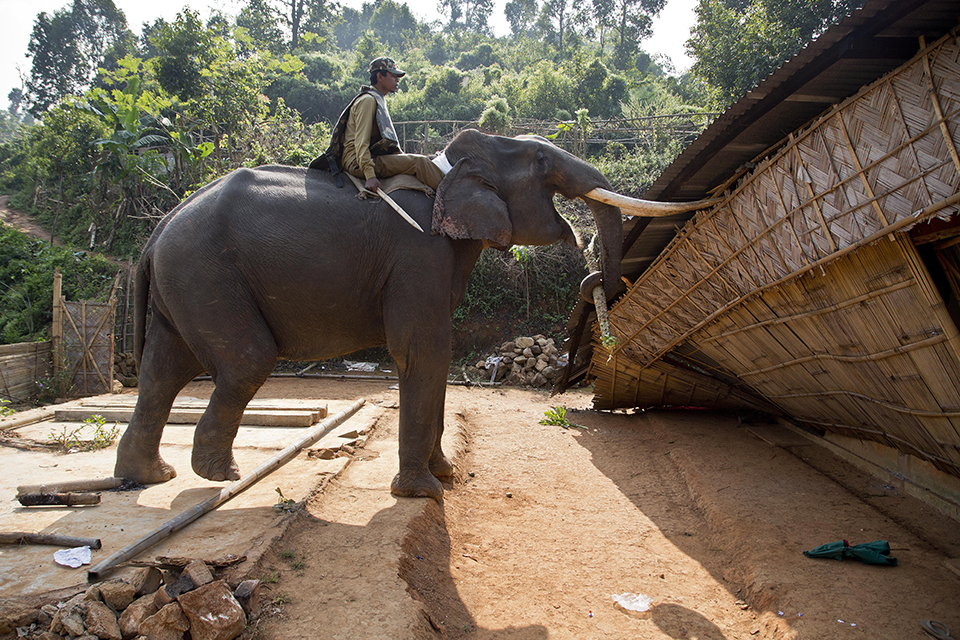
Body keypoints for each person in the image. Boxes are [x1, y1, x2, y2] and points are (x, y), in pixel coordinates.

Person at [314, 57, 446, 192]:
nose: (397, 80)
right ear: (379, 76)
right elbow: (361, 142)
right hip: (356, 162)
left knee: (421, 159)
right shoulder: (368, 100)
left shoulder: (376, 98)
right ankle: (450, 194)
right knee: (419, 163)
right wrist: (369, 175)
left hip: (368, 157)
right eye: (393, 76)